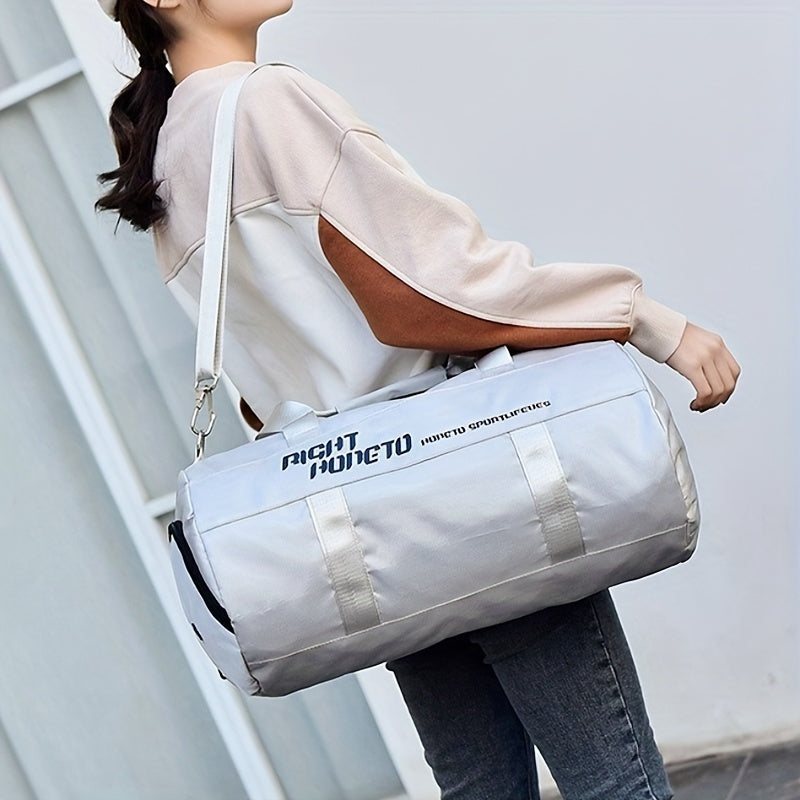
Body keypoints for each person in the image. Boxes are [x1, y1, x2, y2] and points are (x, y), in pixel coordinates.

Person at [95, 2, 740, 798]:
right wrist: (644, 318)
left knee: (479, 786)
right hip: (471, 482)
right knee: (615, 782)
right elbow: (429, 290)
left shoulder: (167, 154)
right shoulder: (267, 102)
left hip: (364, 520)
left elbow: (266, 379)